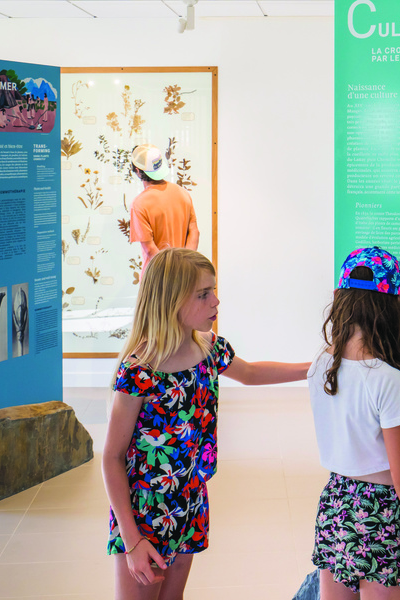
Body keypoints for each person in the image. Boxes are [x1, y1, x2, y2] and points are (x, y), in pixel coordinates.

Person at [101, 248, 310, 600]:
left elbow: (252, 373)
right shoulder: (139, 371)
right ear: (171, 300)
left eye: (213, 290)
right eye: (203, 294)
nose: (216, 301)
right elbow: (111, 457)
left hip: (192, 499)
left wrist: (316, 368)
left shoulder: (211, 350)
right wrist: (132, 538)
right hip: (145, 512)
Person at [308, 247, 400, 599]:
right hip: (382, 514)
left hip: (335, 502)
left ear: (338, 298)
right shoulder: (385, 377)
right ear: (395, 305)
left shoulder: (320, 366)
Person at [128, 144, 200, 271]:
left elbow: (150, 249)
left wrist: (169, 274)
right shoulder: (182, 193)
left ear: (138, 170)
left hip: (156, 277)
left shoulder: (139, 204)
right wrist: (185, 266)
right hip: (184, 274)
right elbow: (194, 232)